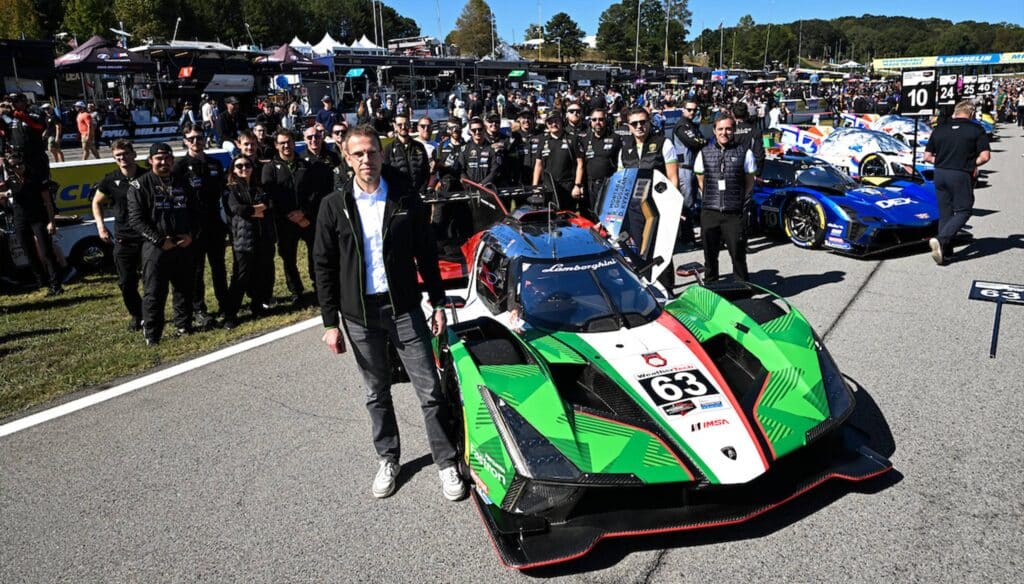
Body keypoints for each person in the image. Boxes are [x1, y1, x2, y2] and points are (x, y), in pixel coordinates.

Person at [313, 124, 465, 501]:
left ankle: (447, 463)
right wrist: (330, 322)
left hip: (404, 310)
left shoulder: (404, 197)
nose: (367, 159)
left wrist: (439, 302)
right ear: (347, 159)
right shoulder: (333, 206)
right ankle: (388, 458)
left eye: (372, 152)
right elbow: (323, 266)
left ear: (382, 155)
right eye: (359, 154)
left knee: (429, 390)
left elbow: (426, 254)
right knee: (376, 392)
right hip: (359, 315)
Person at [127, 143, 202, 345]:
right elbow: (135, 220)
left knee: (185, 288)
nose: (164, 162)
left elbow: (196, 212)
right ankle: (152, 334)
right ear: (150, 160)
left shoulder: (183, 182)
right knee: (154, 292)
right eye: (159, 158)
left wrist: (191, 235)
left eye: (168, 158)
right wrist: (160, 241)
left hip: (183, 243)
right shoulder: (139, 186)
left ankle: (184, 325)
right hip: (156, 247)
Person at [922, 100, 991, 265]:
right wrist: (972, 164)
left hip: (940, 173)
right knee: (964, 210)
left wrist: (945, 160)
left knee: (946, 213)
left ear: (956, 112)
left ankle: (946, 253)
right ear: (972, 114)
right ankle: (941, 239)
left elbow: (927, 156)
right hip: (960, 174)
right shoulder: (976, 129)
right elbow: (985, 156)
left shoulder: (940, 128)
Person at [173, 122, 228, 326]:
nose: (197, 141)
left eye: (200, 137)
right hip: (193, 228)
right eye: (192, 138)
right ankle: (199, 309)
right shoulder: (179, 167)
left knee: (219, 267)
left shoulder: (214, 163)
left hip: (215, 225)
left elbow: (223, 193)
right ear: (185, 141)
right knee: (197, 271)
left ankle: (225, 303)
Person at [694, 115, 758, 282]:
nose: (724, 132)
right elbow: (700, 179)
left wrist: (739, 199)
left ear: (734, 130)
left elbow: (750, 180)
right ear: (714, 131)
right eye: (720, 129)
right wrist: (710, 196)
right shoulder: (703, 153)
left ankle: (742, 285)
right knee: (710, 254)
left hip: (733, 212)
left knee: (737, 253)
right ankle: (711, 284)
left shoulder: (745, 152)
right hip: (710, 210)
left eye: (728, 129)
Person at [92, 139, 145, 329]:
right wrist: (101, 226)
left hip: (147, 237)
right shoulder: (110, 179)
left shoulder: (146, 176)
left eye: (125, 154)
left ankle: (151, 313)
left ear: (133, 154)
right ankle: (136, 314)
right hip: (123, 237)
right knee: (125, 282)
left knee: (151, 280)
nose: (122, 158)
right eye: (118, 156)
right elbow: (97, 202)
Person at [221, 153, 276, 329]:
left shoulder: (259, 187)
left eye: (247, 165)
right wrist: (257, 210)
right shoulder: (231, 189)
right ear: (233, 170)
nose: (244, 168)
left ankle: (257, 305)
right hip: (243, 241)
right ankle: (230, 313)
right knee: (240, 277)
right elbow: (238, 209)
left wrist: (255, 209)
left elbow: (269, 204)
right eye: (239, 166)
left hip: (262, 238)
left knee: (261, 273)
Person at [262, 128, 315, 306]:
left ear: (294, 143)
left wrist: (304, 213)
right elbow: (271, 195)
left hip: (306, 219)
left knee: (315, 254)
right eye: (282, 142)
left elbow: (313, 192)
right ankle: (296, 292)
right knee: (288, 258)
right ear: (276, 145)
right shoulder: (269, 168)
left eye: (289, 141)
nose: (286, 145)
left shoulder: (304, 165)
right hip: (285, 222)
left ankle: (318, 286)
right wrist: (288, 215)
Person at [0, 151, 62, 295]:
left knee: (46, 251)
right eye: (14, 166)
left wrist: (51, 222)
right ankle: (41, 282)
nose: (18, 167)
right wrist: (6, 194)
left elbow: (48, 202)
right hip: (20, 219)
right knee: (28, 252)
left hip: (38, 218)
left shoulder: (36, 177)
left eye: (19, 164)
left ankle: (56, 284)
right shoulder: (10, 180)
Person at [672, 99, 708, 250]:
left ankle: (687, 236)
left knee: (692, 204)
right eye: (689, 109)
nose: (692, 112)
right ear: (683, 109)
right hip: (684, 169)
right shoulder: (681, 125)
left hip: (693, 168)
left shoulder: (692, 125)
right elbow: (694, 142)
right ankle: (687, 239)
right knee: (687, 205)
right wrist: (704, 141)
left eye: (694, 110)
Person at [533, 111, 584, 211]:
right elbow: (538, 165)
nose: (553, 124)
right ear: (547, 125)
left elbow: (580, 164)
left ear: (562, 121)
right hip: (548, 188)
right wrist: (535, 187)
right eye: (550, 122)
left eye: (556, 121)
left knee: (567, 219)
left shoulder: (572, 139)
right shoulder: (543, 141)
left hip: (567, 187)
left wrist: (577, 185)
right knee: (549, 218)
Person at [578, 107, 621, 217]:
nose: (598, 122)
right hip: (589, 187)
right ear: (590, 122)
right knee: (589, 218)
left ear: (606, 121)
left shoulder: (615, 138)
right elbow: (580, 165)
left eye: (601, 119)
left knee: (606, 217)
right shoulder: (584, 140)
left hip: (608, 186)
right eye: (594, 120)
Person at [383, 113, 431, 192]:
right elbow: (385, 175)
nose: (403, 127)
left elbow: (426, 170)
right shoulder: (389, 149)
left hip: (418, 195)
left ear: (409, 124)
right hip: (398, 196)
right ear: (395, 126)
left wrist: (422, 189)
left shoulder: (419, 146)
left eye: (406, 124)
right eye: (399, 125)